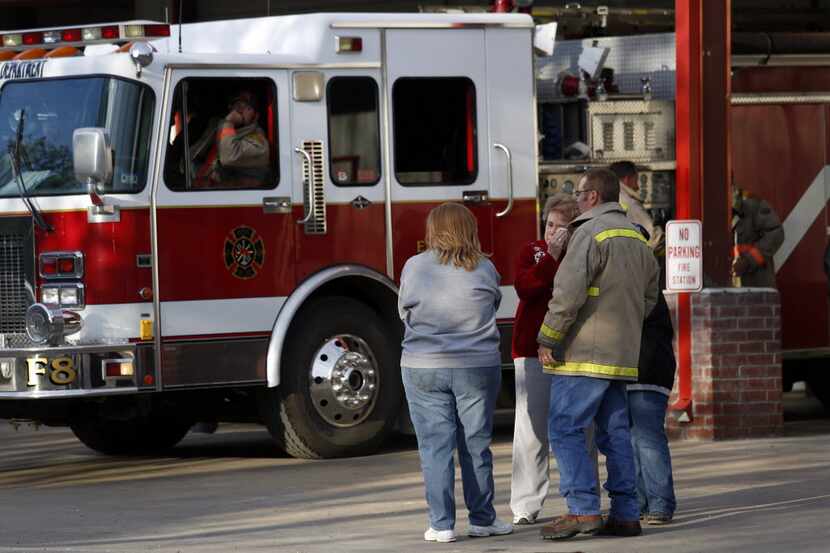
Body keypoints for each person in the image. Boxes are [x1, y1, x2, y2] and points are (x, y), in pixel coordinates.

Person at [537, 168, 659, 540]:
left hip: (582, 355)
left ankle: (582, 510)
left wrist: (548, 338)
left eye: (578, 192)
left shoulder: (587, 232)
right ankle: (625, 513)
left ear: (592, 197)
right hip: (622, 355)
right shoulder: (636, 238)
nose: (575, 198)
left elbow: (567, 293)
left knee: (565, 427)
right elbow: (650, 298)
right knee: (615, 433)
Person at [398, 202, 513, 543]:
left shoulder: (414, 266)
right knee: (475, 443)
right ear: (469, 229)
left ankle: (441, 525)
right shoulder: (485, 268)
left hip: (422, 366)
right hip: (475, 366)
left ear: (433, 230)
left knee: (434, 447)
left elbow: (404, 310)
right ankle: (482, 519)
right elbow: (491, 306)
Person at [509, 193, 598, 526]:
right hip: (531, 350)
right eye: (549, 225)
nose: (552, 233)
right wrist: (552, 254)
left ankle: (586, 500)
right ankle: (525, 506)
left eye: (561, 228)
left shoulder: (584, 253)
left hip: (575, 351)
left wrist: (565, 253)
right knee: (531, 431)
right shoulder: (532, 251)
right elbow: (527, 287)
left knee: (582, 428)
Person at [628, 224, 678, 526]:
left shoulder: (639, 284)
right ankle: (644, 503)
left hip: (644, 372)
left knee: (645, 439)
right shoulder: (644, 278)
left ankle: (658, 503)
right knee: (634, 441)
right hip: (637, 372)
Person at [192, 90, 270, 188]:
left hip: (237, 199)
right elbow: (192, 157)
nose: (239, 110)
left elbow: (229, 157)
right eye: (237, 105)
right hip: (202, 192)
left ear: (256, 116)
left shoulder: (259, 142)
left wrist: (228, 122)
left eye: (247, 107)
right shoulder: (224, 129)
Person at [732, 185, 785, 288]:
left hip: (757, 288)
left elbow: (776, 234)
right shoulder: (713, 214)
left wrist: (748, 261)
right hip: (729, 291)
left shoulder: (754, 207)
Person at [609, 160, 664, 255]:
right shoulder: (629, 202)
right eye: (636, 180)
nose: (638, 186)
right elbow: (653, 237)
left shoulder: (609, 196)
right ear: (627, 179)